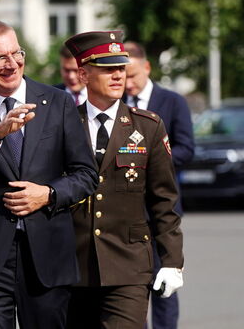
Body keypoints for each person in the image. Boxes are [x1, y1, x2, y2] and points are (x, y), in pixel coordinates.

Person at [0, 19, 98, 328]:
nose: (12, 63)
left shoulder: (57, 102)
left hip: (46, 252)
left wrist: (49, 194)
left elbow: (85, 174)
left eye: (16, 53)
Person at [63, 30, 184, 329]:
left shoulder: (148, 126)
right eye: (107, 69)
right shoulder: (62, 123)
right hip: (71, 263)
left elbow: (164, 200)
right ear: (83, 74)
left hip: (128, 263)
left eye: (120, 67)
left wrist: (171, 261)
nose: (118, 75)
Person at [123, 41, 194, 329]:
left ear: (147, 68)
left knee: (163, 281)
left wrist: (150, 161)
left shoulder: (172, 101)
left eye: (133, 76)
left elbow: (187, 148)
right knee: (130, 288)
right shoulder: (118, 105)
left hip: (161, 208)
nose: (128, 83)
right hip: (126, 210)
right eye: (123, 76)